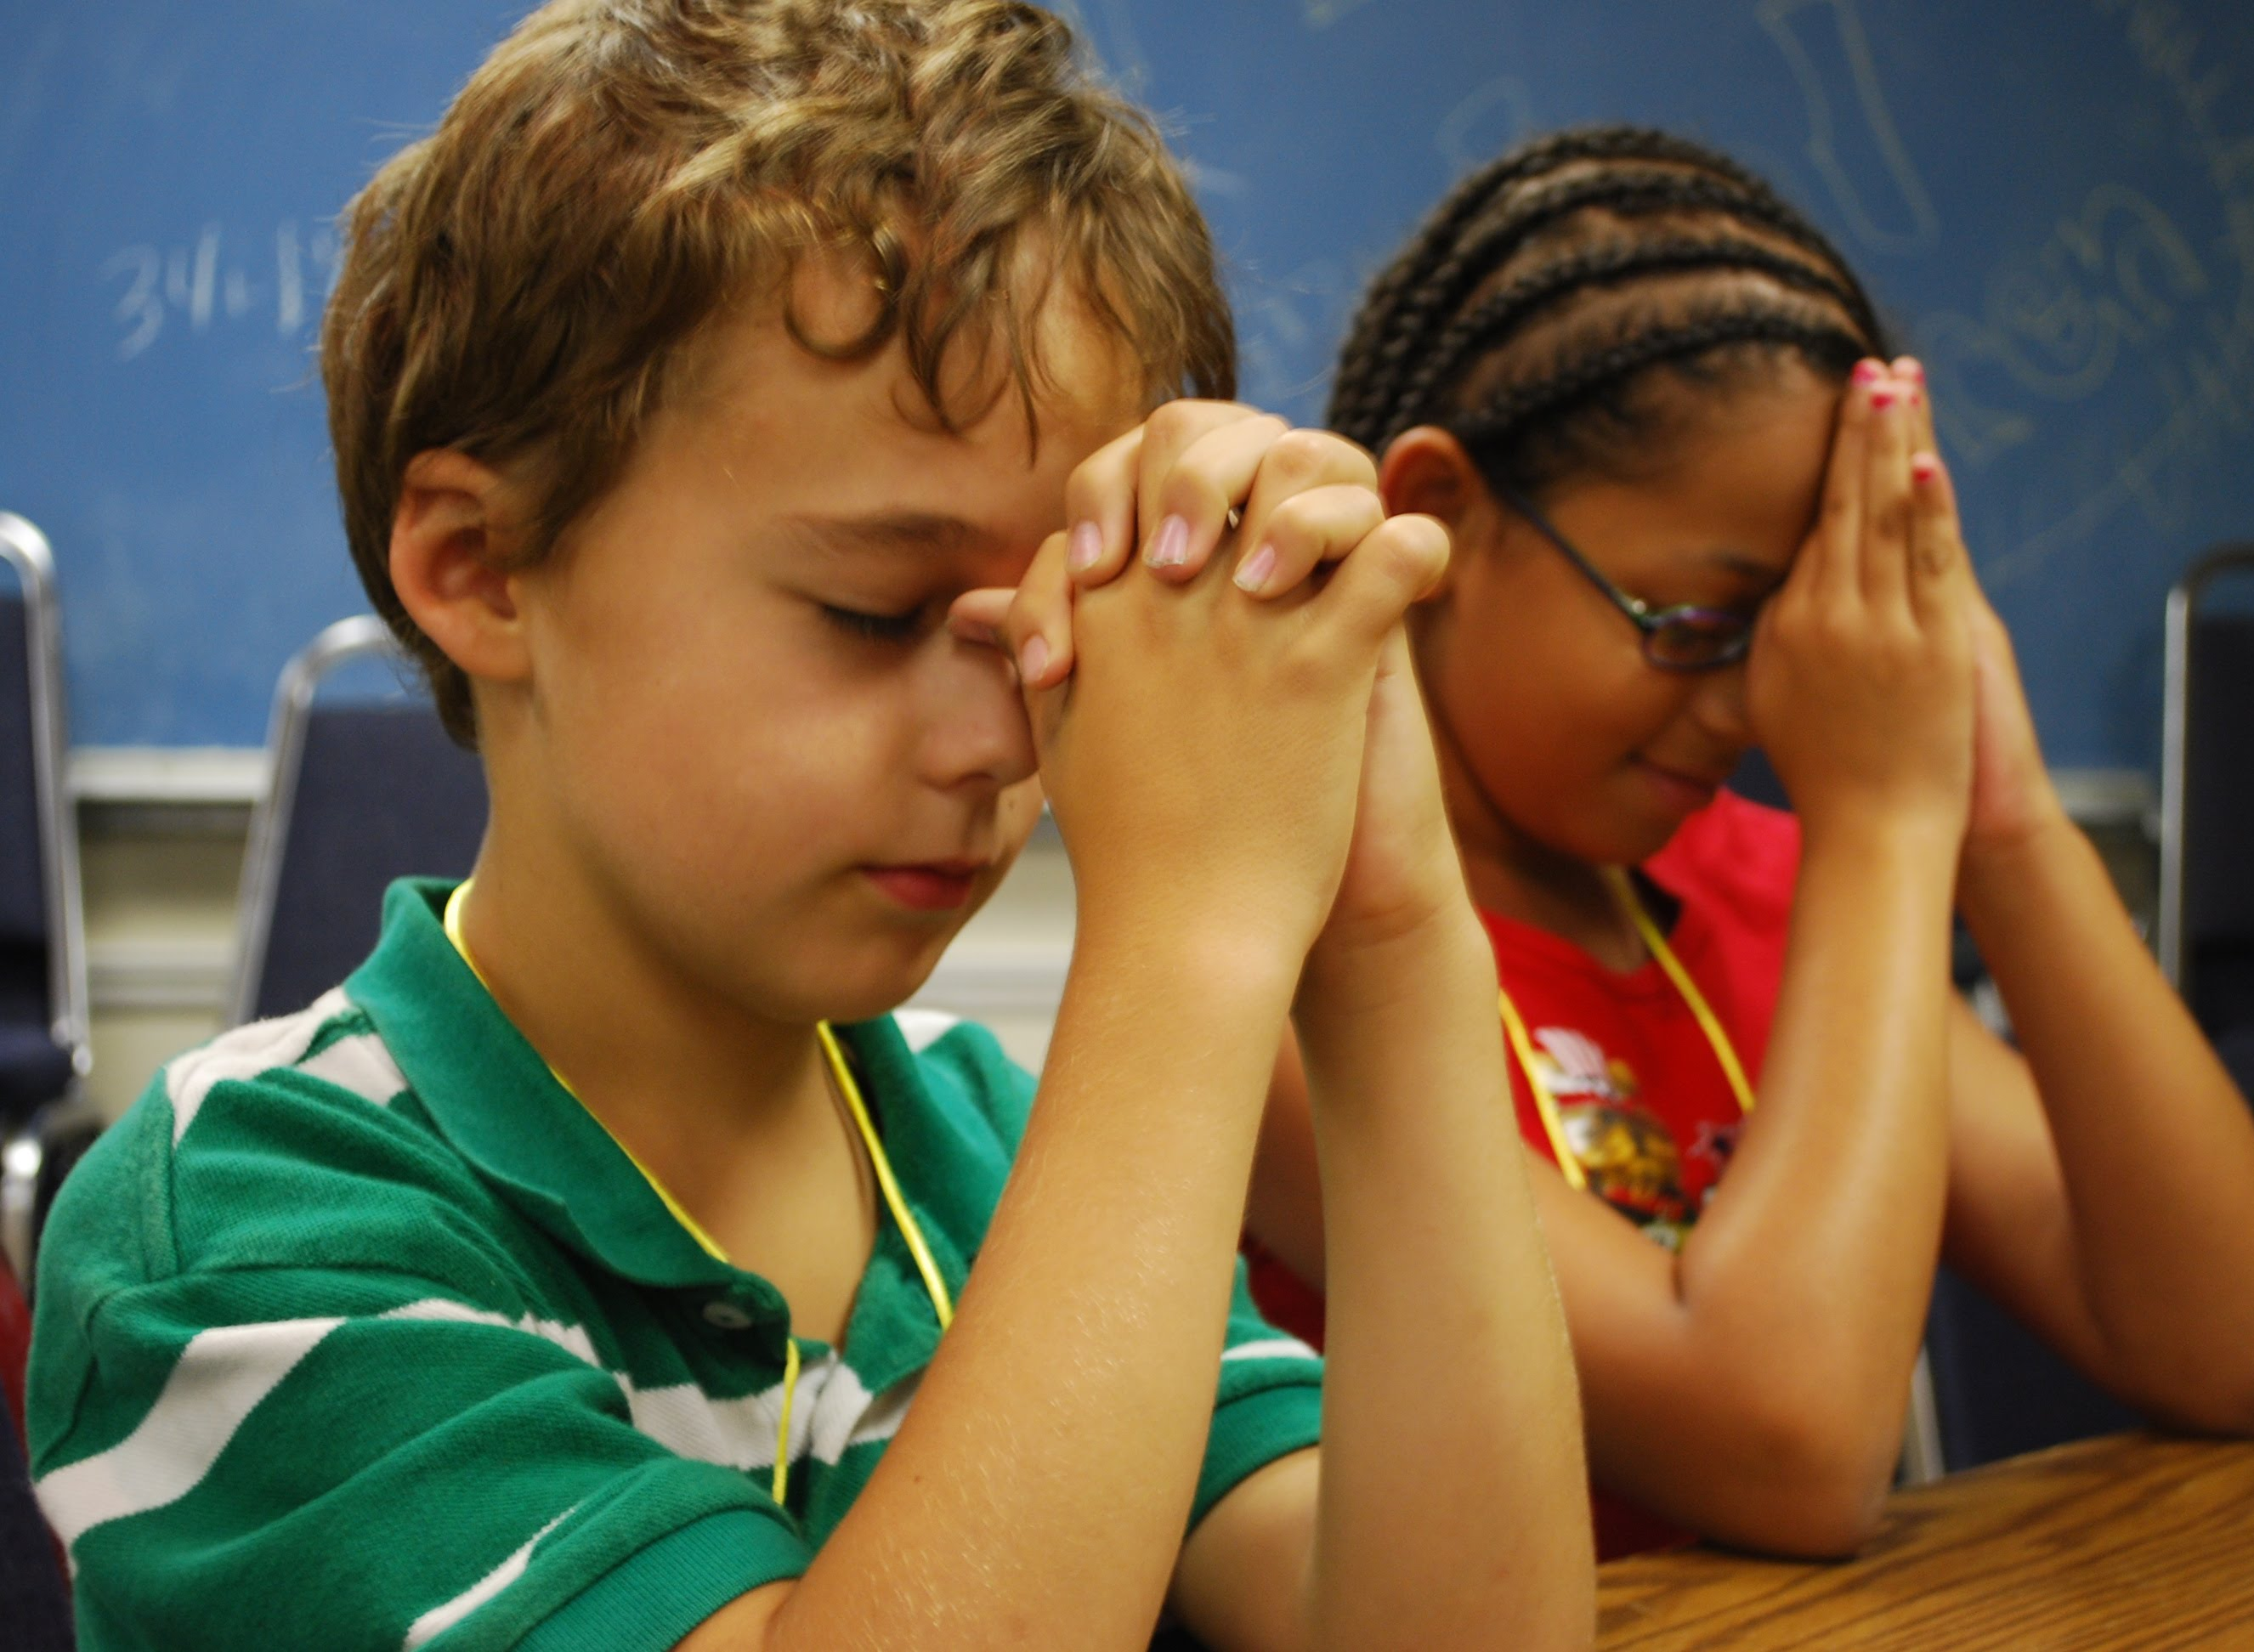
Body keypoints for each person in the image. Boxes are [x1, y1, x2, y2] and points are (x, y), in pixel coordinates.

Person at [22, 7, 1592, 1648]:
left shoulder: (984, 1148)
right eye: (873, 610)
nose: (1006, 740)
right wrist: (1189, 943)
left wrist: (1392, 927)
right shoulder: (245, 1231)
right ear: (484, 568)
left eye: (1049, 628)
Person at [1210, 126, 2254, 1559]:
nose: (1753, 707)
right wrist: (1883, 820)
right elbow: (1787, 1448)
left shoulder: (1768, 891)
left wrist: (2004, 819)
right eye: (1698, 622)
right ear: (1437, 519)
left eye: (1800, 629)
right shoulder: (1284, 969)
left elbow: (2241, 1352)